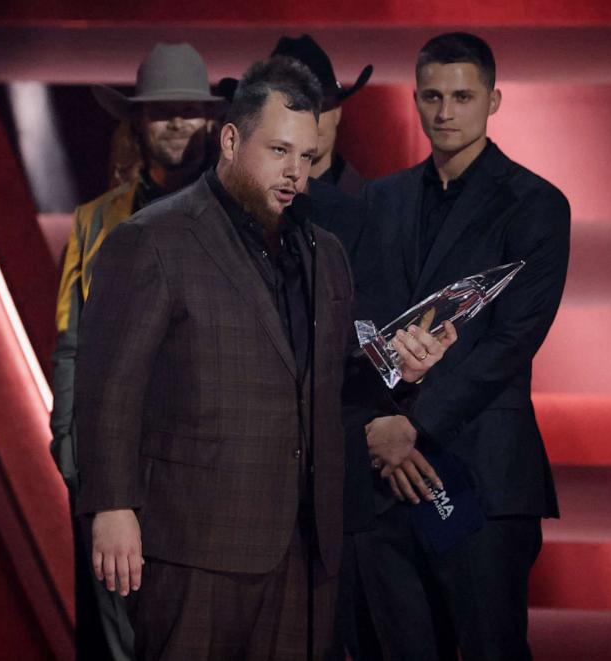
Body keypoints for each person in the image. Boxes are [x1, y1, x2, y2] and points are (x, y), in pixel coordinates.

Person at [74, 56, 453, 660]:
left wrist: (400, 372)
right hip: (195, 541)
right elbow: (107, 390)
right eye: (279, 152)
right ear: (230, 139)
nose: (296, 175)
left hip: (305, 544)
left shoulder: (323, 251)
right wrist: (112, 507)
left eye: (305, 157)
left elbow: (332, 386)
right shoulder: (151, 240)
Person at [352, 32, 571, 660]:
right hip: (382, 478)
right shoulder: (380, 199)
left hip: (480, 470)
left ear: (494, 101)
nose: (446, 111)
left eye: (462, 96)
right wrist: (377, 428)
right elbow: (355, 324)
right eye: (432, 96)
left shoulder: (535, 204)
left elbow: (510, 342)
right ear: (416, 100)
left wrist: (408, 428)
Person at [49, 42, 224, 660]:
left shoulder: (238, 216)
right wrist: (72, 453)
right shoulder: (96, 222)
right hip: (115, 460)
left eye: (188, 109)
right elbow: (72, 344)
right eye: (160, 110)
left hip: (210, 464)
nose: (176, 122)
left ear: (210, 119)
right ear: (136, 122)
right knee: (117, 633)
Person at [270, 34, 373, 195]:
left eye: (320, 106)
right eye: (294, 108)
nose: (309, 121)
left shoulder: (375, 208)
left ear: (337, 112)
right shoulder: (246, 207)